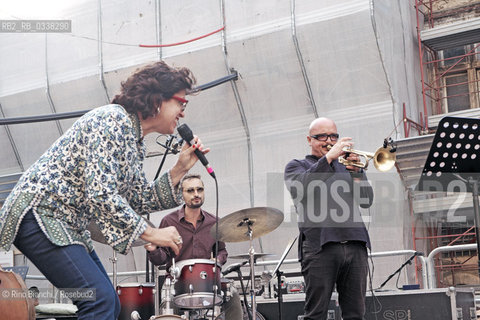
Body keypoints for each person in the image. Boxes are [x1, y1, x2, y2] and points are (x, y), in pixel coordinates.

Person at [0, 61, 208, 319]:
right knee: (100, 302)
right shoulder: (112, 121)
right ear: (158, 100)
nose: (183, 112)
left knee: (106, 302)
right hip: (40, 214)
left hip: (61, 221)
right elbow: (101, 195)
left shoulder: (133, 140)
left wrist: (179, 170)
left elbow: (138, 198)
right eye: (181, 103)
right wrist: (153, 233)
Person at [284, 117, 374, 320]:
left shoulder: (349, 166)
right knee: (316, 313)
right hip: (321, 246)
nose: (329, 141)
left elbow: (366, 200)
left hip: (355, 242)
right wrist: (329, 159)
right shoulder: (297, 166)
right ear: (309, 139)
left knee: (356, 314)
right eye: (322, 136)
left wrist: (358, 173)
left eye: (333, 136)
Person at [147, 174, 243, 320]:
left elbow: (222, 251)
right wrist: (153, 249)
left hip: (208, 281)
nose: (196, 194)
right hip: (176, 283)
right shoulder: (168, 221)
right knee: (167, 308)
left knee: (233, 294)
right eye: (190, 191)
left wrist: (217, 259)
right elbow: (162, 259)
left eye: (200, 189)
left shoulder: (214, 222)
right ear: (181, 195)